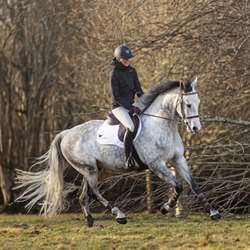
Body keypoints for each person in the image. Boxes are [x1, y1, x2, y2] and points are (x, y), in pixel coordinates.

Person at [109, 45, 144, 170]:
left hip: (131, 103)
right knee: (130, 126)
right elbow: (116, 96)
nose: (128, 60)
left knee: (148, 114)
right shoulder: (114, 74)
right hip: (118, 106)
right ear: (118, 59)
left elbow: (138, 89)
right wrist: (130, 107)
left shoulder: (132, 70)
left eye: (129, 58)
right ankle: (128, 157)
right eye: (125, 58)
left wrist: (145, 101)